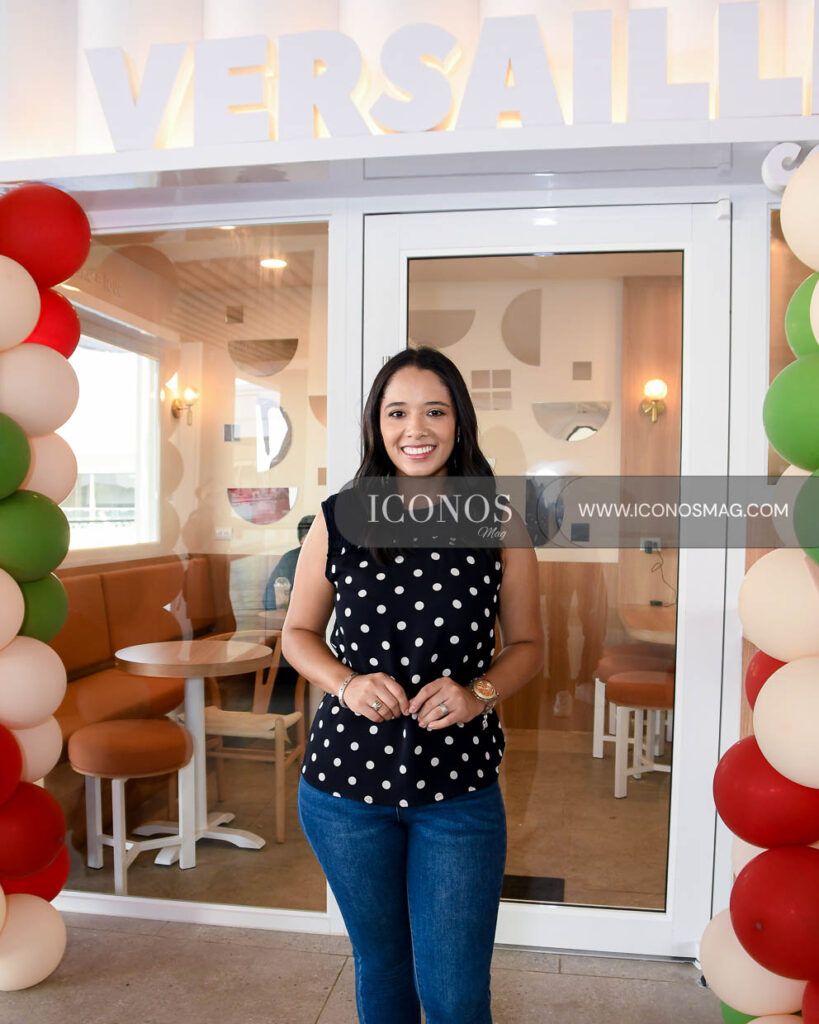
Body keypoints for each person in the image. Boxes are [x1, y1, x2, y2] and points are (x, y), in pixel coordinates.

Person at [282, 347, 543, 1024]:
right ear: (377, 424)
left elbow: (528, 647)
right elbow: (297, 635)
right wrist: (343, 682)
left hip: (457, 795)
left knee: (454, 993)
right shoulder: (339, 518)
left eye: (434, 410)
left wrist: (476, 693)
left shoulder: (498, 521)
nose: (414, 428)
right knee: (384, 972)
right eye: (396, 412)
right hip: (343, 795)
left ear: (459, 423)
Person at [262, 514, 315, 610]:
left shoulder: (332, 559)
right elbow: (269, 598)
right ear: (301, 541)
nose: (312, 546)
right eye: (307, 542)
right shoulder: (289, 559)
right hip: (292, 614)